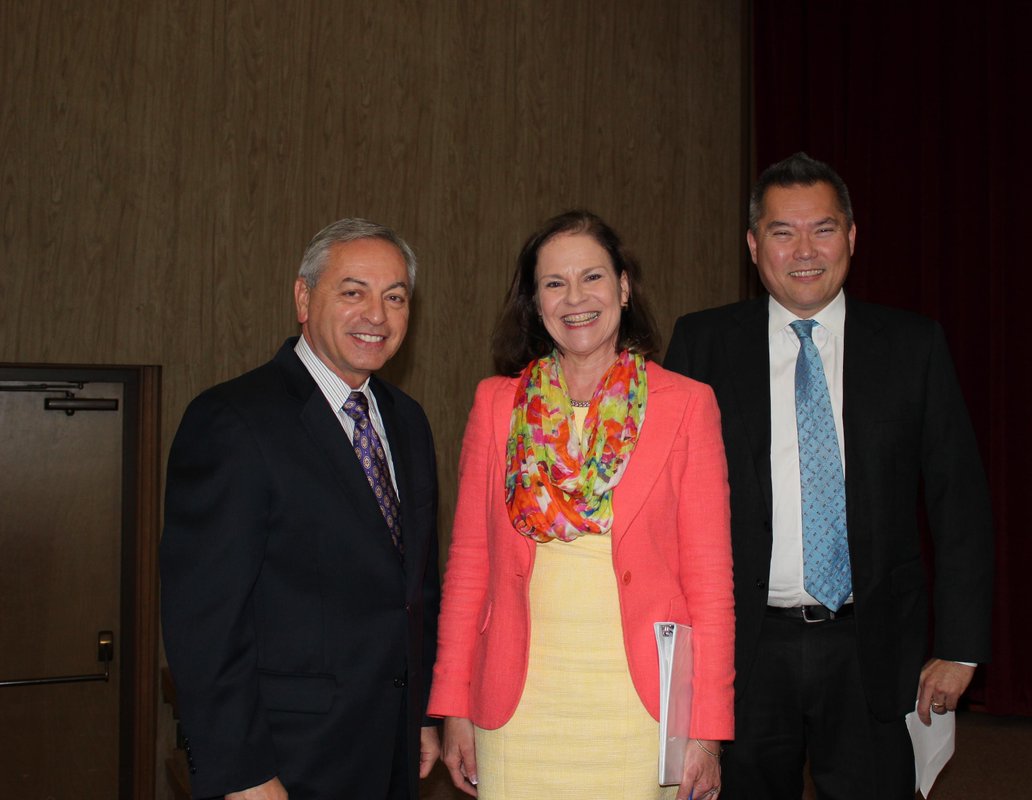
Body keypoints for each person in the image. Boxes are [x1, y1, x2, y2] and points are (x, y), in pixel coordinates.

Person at [663, 152, 994, 799]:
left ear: (852, 236)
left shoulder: (913, 347)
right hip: (745, 650)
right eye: (783, 232)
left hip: (872, 646)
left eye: (823, 229)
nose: (804, 251)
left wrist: (960, 647)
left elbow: (959, 504)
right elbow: (664, 505)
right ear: (754, 246)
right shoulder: (703, 344)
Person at [428, 210, 734, 800]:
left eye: (592, 277)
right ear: (535, 302)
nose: (575, 298)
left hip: (640, 710)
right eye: (554, 283)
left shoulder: (687, 405)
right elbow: (468, 569)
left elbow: (711, 583)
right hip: (516, 709)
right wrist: (453, 705)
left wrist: (708, 732)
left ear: (623, 287)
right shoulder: (496, 406)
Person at [160, 218, 441, 800]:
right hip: (285, 761)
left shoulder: (408, 421)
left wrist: (421, 714)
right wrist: (242, 772)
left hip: (391, 748)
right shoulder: (232, 420)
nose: (377, 315)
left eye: (395, 297)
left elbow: (416, 587)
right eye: (353, 292)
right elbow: (204, 621)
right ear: (303, 298)